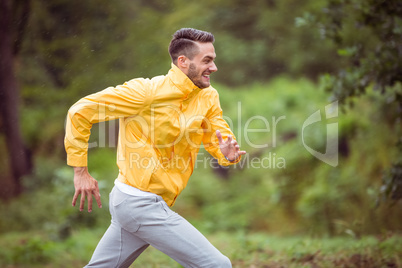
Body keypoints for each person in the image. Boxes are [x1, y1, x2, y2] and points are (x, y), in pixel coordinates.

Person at [64, 28, 246, 268]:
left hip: (140, 203)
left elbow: (217, 136)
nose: (214, 67)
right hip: (138, 202)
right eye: (207, 61)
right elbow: (80, 112)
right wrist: (80, 171)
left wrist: (227, 155)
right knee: (216, 265)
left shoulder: (207, 96)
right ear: (183, 62)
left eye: (213, 60)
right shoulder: (146, 93)